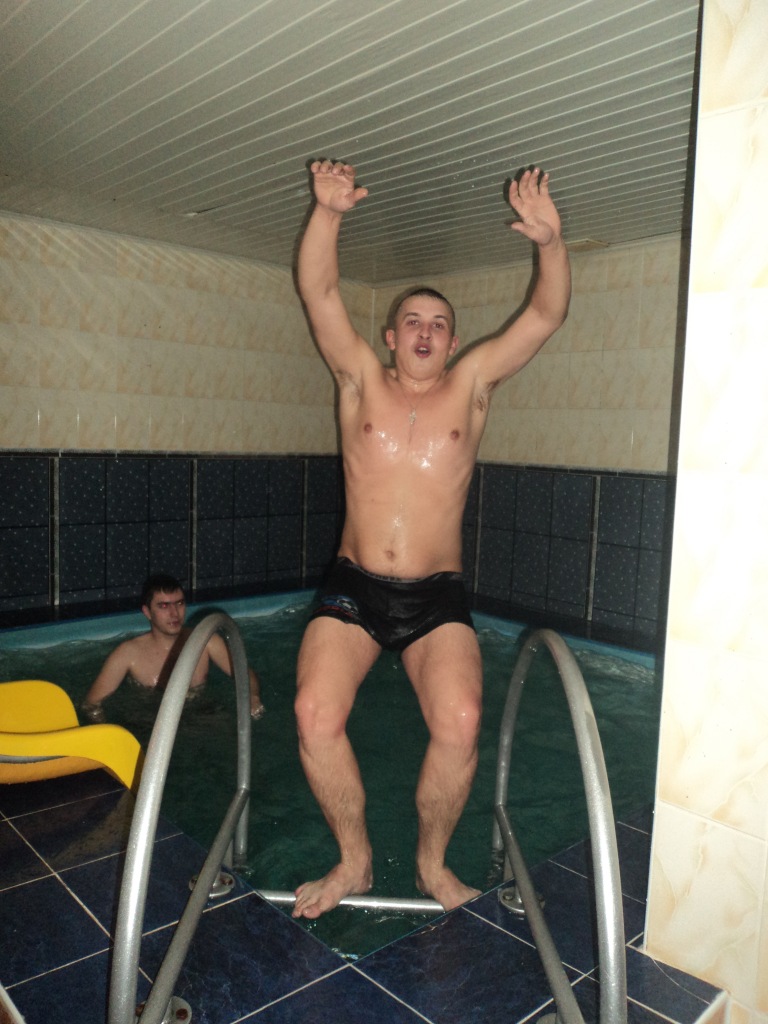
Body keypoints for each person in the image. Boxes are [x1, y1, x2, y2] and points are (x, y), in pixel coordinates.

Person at [292, 158, 571, 920]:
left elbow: (545, 315)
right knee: (314, 714)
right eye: (412, 321)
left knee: (461, 721)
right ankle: (353, 859)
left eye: (439, 324)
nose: (425, 331)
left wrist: (550, 244)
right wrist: (328, 214)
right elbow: (319, 292)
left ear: (452, 342)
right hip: (354, 585)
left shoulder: (472, 385)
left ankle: (430, 863)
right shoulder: (358, 378)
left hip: (435, 595)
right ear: (390, 336)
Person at [80, 573, 265, 723]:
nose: (174, 613)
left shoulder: (206, 641)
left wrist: (253, 697)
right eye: (163, 606)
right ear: (147, 612)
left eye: (179, 603)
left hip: (199, 714)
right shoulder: (128, 654)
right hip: (148, 721)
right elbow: (91, 704)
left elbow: (245, 674)